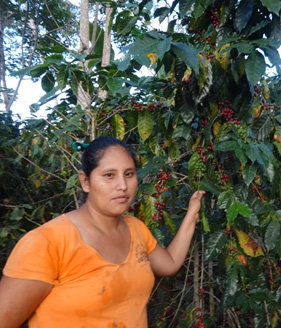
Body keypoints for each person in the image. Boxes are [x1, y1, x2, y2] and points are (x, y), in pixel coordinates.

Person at [0, 136, 205, 328]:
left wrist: (191, 215)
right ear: (85, 182)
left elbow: (169, 264)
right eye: (109, 175)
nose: (122, 186)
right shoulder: (47, 242)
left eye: (129, 174)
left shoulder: (135, 228)